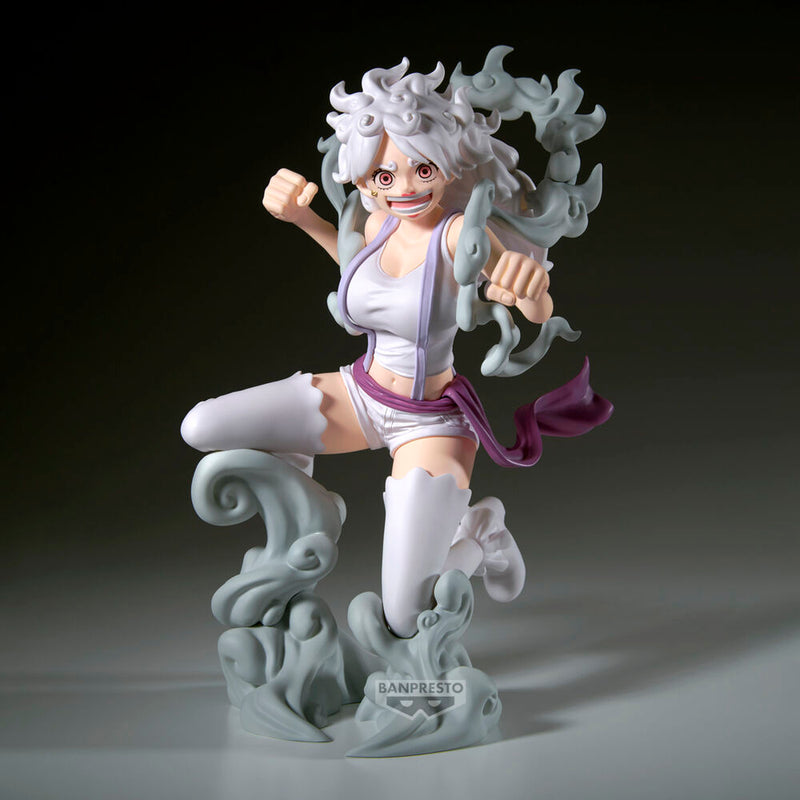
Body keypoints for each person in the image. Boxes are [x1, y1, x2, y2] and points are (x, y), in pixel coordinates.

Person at [181, 56, 611, 638]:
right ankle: (308, 515)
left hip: (430, 422)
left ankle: (480, 535)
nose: (404, 188)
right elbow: (355, 266)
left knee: (405, 617)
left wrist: (532, 290)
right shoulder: (377, 222)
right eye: (384, 176)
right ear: (362, 178)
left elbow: (523, 298)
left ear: (445, 164)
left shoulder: (457, 234)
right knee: (202, 427)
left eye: (421, 169)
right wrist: (302, 218)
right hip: (359, 396)